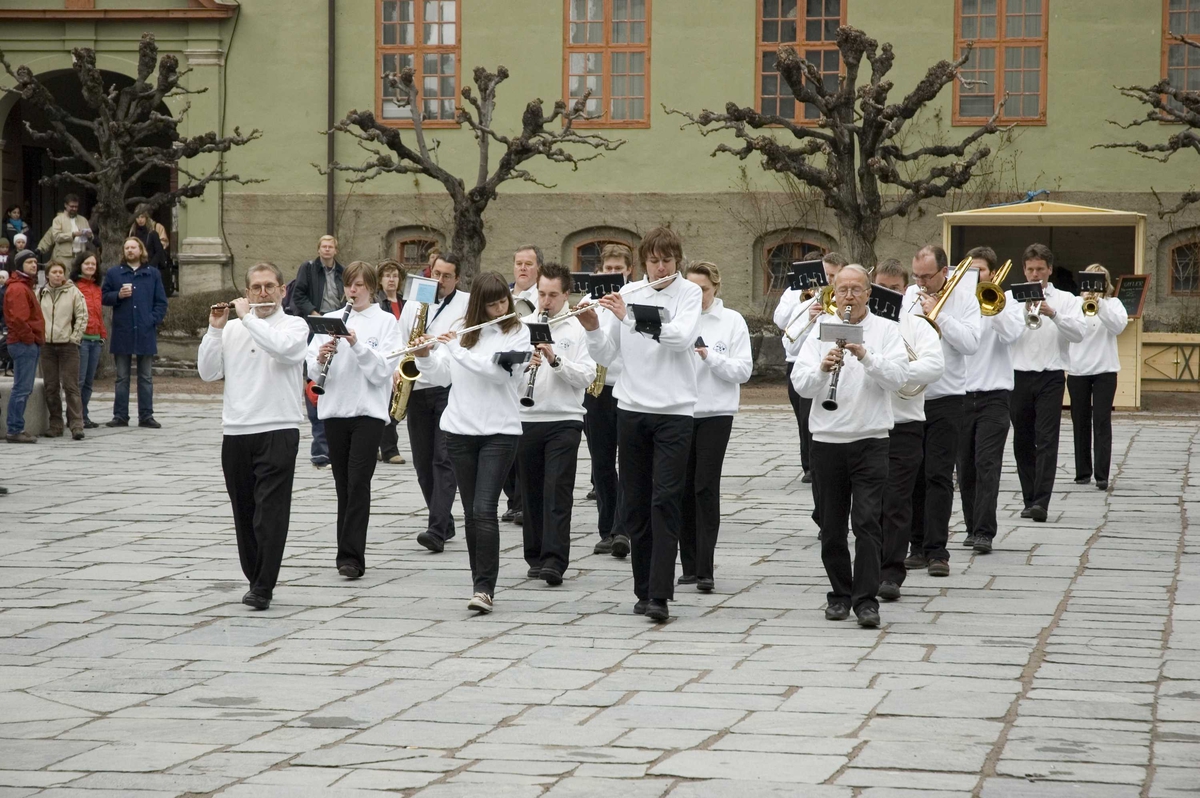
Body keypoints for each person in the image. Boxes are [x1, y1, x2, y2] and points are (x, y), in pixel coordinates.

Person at [579, 226, 703, 623]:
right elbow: (605, 352)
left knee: (665, 500)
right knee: (636, 502)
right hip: (631, 408)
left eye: (667, 260)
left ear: (677, 261)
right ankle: (643, 589)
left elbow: (680, 339)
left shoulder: (689, 294)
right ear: (644, 261)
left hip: (675, 410)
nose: (660, 267)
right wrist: (591, 326)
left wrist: (627, 316)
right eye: (654, 261)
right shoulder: (629, 293)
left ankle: (661, 594)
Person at [792, 265, 908, 628]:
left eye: (857, 289)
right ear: (834, 293)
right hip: (827, 442)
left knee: (868, 523)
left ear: (868, 294)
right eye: (843, 289)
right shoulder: (820, 331)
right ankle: (840, 594)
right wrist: (824, 369)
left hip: (871, 439)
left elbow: (899, 378)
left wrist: (866, 356)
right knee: (830, 527)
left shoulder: (887, 330)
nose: (849, 296)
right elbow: (801, 384)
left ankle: (866, 600)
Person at [413, 272, 531, 613]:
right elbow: (441, 375)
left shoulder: (518, 332)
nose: (499, 309)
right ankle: (477, 582)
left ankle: (485, 589)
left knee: (484, 509)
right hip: (459, 430)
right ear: (479, 303)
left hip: (500, 431)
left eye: (502, 302)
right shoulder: (463, 327)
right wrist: (424, 355)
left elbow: (497, 373)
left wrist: (452, 346)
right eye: (491, 304)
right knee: (469, 512)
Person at [198, 263, 309, 610]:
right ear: (246, 293)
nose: (263, 293)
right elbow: (208, 372)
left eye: (270, 286)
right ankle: (254, 577)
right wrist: (215, 331)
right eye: (256, 288)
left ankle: (263, 586)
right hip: (237, 430)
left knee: (270, 513)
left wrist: (249, 320)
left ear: (282, 291)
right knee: (244, 512)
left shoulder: (294, 325)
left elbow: (283, 350)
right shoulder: (233, 328)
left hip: (278, 427)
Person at [307, 261, 402, 579]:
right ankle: (345, 552)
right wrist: (320, 357)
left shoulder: (386, 322)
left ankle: (351, 557)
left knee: (359, 483)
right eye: (349, 284)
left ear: (371, 287)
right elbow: (309, 366)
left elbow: (381, 372)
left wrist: (355, 343)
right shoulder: (330, 319)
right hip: (335, 410)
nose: (353, 290)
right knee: (343, 486)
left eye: (360, 285)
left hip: (369, 412)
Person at [903, 244, 981, 578]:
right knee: (912, 476)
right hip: (911, 396)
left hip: (947, 397)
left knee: (938, 474)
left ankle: (938, 550)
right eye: (916, 276)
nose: (920, 283)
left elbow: (970, 343)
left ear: (944, 272)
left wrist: (940, 313)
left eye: (927, 277)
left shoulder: (964, 297)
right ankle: (915, 546)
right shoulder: (909, 294)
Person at [517, 263, 595, 586]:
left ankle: (554, 560)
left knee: (557, 490)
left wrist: (555, 361)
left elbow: (587, 375)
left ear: (566, 294)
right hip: (527, 417)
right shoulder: (522, 325)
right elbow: (506, 375)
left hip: (565, 418)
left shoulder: (578, 329)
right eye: (541, 294)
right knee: (531, 492)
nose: (545, 302)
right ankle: (534, 555)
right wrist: (525, 364)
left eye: (552, 295)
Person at [679, 261, 752, 593]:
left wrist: (710, 357)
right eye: (692, 290)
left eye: (704, 290)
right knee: (680, 490)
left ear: (715, 288)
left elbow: (743, 371)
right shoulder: (679, 317)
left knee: (704, 487)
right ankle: (689, 565)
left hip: (716, 412)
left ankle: (706, 568)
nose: (698, 296)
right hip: (679, 411)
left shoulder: (731, 320)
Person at [873, 259, 944, 602]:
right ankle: (869, 568)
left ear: (906, 291)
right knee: (869, 505)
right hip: (867, 425)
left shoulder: (916, 325)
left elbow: (934, 365)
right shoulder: (860, 324)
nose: (887, 293)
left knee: (897, 502)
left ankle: (890, 573)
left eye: (895, 288)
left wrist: (895, 370)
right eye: (881, 286)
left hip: (905, 423)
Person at [398, 253, 470, 553]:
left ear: (457, 278)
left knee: (443, 459)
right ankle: (443, 519)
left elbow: (464, 342)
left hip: (448, 386)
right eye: (436, 273)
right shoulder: (416, 298)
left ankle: (437, 528)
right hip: (416, 386)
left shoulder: (465, 303)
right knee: (422, 463)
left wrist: (435, 343)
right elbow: (401, 337)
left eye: (446, 276)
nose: (439, 281)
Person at [1009, 243, 1086, 522]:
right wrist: (1021, 311)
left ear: (1049, 270)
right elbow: (1003, 334)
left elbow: (1079, 334)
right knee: (1022, 441)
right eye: (1030, 269)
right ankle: (1029, 498)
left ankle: (1042, 501)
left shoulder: (1066, 299)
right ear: (1024, 270)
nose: (1034, 274)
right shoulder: (1010, 296)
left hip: (1051, 375)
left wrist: (1053, 313)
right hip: (1017, 375)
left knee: (1047, 439)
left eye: (1040, 269)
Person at [958, 247, 1024, 555]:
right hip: (959, 397)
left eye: (979, 270)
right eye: (968, 270)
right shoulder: (955, 303)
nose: (974, 276)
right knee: (965, 468)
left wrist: (992, 306)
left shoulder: (1006, 301)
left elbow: (1012, 334)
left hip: (994, 397)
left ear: (992, 274)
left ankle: (985, 531)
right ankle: (971, 527)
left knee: (987, 464)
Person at [776, 251, 848, 484]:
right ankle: (810, 466)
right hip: (801, 364)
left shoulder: (844, 300)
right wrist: (808, 309)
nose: (828, 280)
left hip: (836, 364)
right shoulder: (797, 293)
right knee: (804, 418)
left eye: (834, 275)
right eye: (826, 274)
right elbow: (785, 330)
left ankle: (823, 465)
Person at [584, 244, 632, 557]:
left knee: (628, 463)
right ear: (601, 271)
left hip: (624, 386)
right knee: (601, 462)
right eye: (609, 269)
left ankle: (623, 529)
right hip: (595, 390)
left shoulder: (633, 299)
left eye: (619, 269)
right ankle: (607, 528)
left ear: (628, 271)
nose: (614, 274)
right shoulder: (590, 301)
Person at [1067, 263, 1128, 492]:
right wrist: (1083, 301)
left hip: (1105, 370)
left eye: (1098, 280)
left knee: (1102, 421)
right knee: (1080, 421)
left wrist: (1099, 303)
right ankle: (1082, 472)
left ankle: (1102, 475)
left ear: (1106, 282)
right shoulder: (1074, 303)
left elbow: (1118, 327)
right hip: (1077, 370)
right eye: (1089, 280)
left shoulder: (1114, 304)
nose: (1092, 286)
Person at [101, 237, 168, 429]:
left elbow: (161, 302)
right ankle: (120, 415)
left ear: (141, 250)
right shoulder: (115, 273)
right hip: (123, 331)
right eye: (127, 248)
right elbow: (104, 296)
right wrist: (118, 296)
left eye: (133, 247)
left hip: (145, 331)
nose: (130, 251)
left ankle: (146, 416)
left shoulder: (152, 273)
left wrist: (151, 319)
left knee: (145, 377)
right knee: (122, 377)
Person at [292, 234, 345, 469]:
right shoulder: (309, 268)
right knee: (315, 377)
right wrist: (314, 314)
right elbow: (298, 296)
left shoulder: (343, 271)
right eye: (323, 246)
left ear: (335, 250)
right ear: (319, 249)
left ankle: (335, 445)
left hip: (339, 323)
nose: (327, 250)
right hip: (317, 321)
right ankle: (320, 448)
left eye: (330, 246)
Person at [501, 244, 543, 525]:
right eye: (519, 263)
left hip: (532, 372)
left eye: (529, 263)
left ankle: (521, 502)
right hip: (505, 374)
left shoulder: (542, 298)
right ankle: (512, 497)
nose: (523, 268)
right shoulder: (503, 295)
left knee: (523, 442)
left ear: (538, 267)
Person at [38, 260, 88, 440]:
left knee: (71, 386)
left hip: (68, 345)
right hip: (47, 346)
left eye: (61, 272)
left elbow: (82, 315)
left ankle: (76, 424)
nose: (58, 275)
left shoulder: (73, 292)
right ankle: (55, 424)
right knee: (50, 386)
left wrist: (75, 338)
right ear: (48, 275)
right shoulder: (41, 293)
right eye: (54, 272)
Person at [4, 250, 44, 444]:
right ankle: (14, 428)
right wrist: (30, 338)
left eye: (35, 262)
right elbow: (19, 319)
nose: (34, 265)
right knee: (22, 388)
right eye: (29, 262)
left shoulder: (23, 286)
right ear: (20, 265)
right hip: (23, 343)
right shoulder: (19, 288)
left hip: (26, 341)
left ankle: (16, 426)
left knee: (23, 388)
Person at [70, 251, 107, 429]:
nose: (91, 267)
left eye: (93, 264)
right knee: (79, 380)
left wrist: (102, 334)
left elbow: (99, 314)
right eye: (87, 264)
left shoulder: (97, 288)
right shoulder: (73, 286)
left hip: (95, 339)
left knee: (89, 382)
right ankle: (75, 416)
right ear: (80, 266)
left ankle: (84, 415)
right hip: (81, 339)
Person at [375, 259, 407, 466]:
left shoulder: (405, 302)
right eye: (387, 276)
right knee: (389, 405)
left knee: (399, 405)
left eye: (395, 276)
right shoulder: (378, 304)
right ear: (380, 280)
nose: (391, 280)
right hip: (389, 357)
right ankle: (388, 449)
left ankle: (380, 444)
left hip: (406, 355)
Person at [38, 194, 92, 265]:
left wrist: (90, 236)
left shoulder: (83, 220)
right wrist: (73, 234)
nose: (74, 209)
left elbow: (91, 237)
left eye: (76, 207)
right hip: (63, 257)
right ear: (65, 205)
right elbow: (56, 237)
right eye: (72, 206)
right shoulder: (58, 220)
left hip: (80, 256)